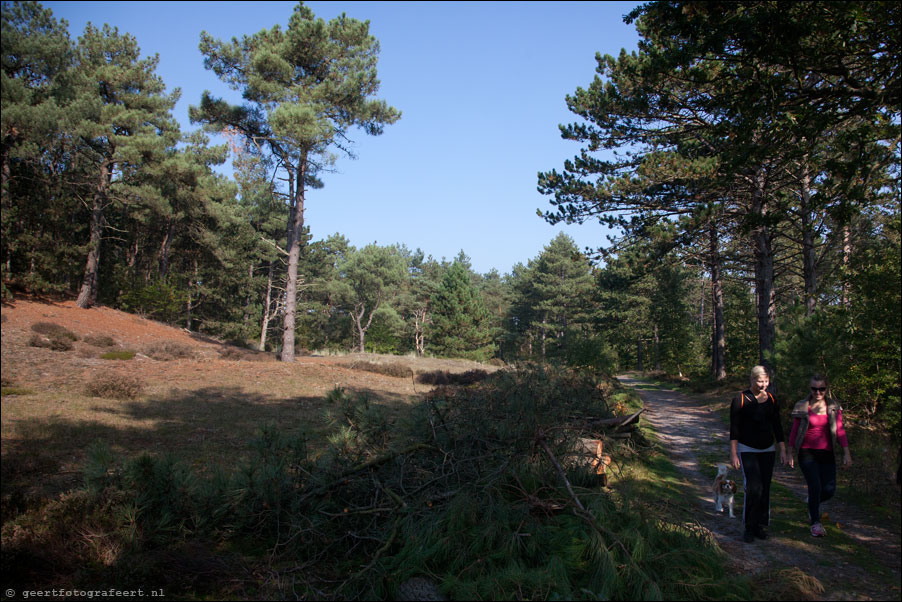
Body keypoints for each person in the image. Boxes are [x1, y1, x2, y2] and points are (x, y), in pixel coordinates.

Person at [730, 365, 791, 543]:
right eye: (760, 381)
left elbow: (777, 425)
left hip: (767, 449)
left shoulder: (772, 399)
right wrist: (733, 453)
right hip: (747, 448)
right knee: (754, 486)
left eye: (766, 381)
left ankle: (759, 525)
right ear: (752, 380)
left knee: (765, 488)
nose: (763, 385)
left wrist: (783, 449)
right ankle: (749, 527)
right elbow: (734, 429)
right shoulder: (740, 399)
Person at [789, 374, 851, 537]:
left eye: (821, 389)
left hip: (827, 452)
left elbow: (840, 430)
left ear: (826, 388)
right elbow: (795, 431)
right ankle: (815, 523)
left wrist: (846, 452)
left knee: (829, 490)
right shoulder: (802, 406)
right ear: (810, 389)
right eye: (814, 388)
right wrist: (789, 451)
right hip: (807, 452)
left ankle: (812, 503)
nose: (818, 392)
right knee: (815, 486)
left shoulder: (833, 407)